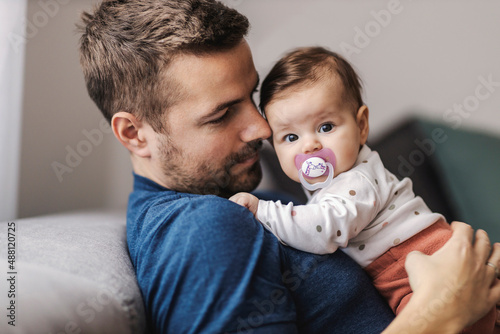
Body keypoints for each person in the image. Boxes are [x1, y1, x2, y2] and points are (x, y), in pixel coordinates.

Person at [77, 0, 500, 333]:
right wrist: (440, 313)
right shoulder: (203, 230)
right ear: (134, 134)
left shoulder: (237, 203)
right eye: (222, 114)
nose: (262, 128)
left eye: (252, 97)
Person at [229, 46, 497, 333]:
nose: (310, 145)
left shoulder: (358, 181)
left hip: (418, 259)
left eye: (326, 126)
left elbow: (324, 229)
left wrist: (263, 211)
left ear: (361, 125)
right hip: (405, 266)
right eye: (291, 136)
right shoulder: (335, 183)